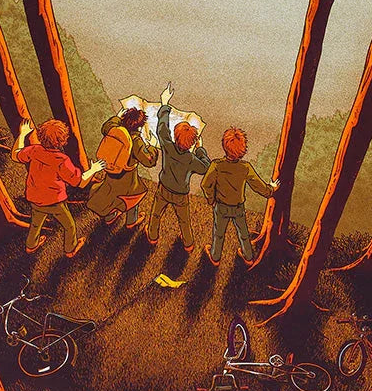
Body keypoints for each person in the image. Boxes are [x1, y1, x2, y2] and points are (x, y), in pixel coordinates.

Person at [12, 119, 105, 257]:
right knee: (69, 225)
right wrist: (94, 170)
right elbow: (79, 182)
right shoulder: (62, 160)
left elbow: (15, 155)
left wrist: (23, 134)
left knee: (36, 224)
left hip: (34, 197)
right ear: (61, 141)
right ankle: (70, 249)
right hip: (54, 201)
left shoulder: (34, 150)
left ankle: (31, 246)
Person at [200, 127, 279, 265]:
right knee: (243, 233)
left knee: (219, 233)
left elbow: (205, 184)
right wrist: (270, 189)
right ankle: (248, 257)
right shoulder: (245, 167)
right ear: (242, 149)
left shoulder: (216, 165)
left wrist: (211, 199)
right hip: (238, 207)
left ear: (225, 146)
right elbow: (257, 185)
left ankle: (215, 257)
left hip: (221, 206)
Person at [147, 83, 210, 252]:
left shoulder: (167, 146)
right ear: (191, 143)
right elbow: (205, 167)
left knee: (156, 214)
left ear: (175, 136)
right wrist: (200, 149)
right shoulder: (191, 158)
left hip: (164, 187)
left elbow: (162, 129)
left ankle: (152, 237)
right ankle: (188, 244)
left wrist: (165, 103)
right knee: (184, 221)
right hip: (181, 194)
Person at [87, 107, 158, 230]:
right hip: (128, 178)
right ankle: (132, 221)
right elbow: (149, 161)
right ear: (140, 126)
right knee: (132, 197)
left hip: (111, 173)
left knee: (109, 194)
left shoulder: (114, 130)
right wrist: (152, 146)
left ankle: (110, 217)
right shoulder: (136, 141)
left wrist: (117, 117)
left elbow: (106, 126)